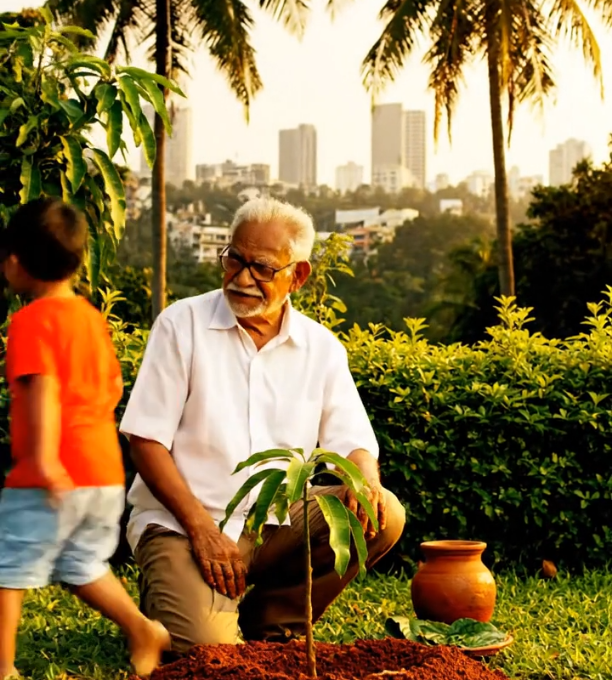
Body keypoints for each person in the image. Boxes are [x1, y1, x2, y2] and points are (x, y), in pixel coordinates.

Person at [120, 198, 406, 653]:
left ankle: (274, 620)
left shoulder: (321, 348)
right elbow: (145, 441)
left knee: (383, 512)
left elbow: (354, 441)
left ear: (299, 275)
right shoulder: (182, 325)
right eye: (234, 259)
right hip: (183, 523)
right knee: (205, 650)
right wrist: (202, 529)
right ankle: (176, 590)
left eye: (262, 267)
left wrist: (365, 478)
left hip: (274, 521)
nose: (242, 277)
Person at [0, 198, 169, 680]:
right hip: (103, 473)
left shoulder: (31, 321)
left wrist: (47, 461)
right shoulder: (91, 320)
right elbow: (112, 388)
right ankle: (142, 629)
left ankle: (4, 668)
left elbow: (44, 390)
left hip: (51, 472)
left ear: (15, 262)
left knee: (5, 567)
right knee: (80, 563)